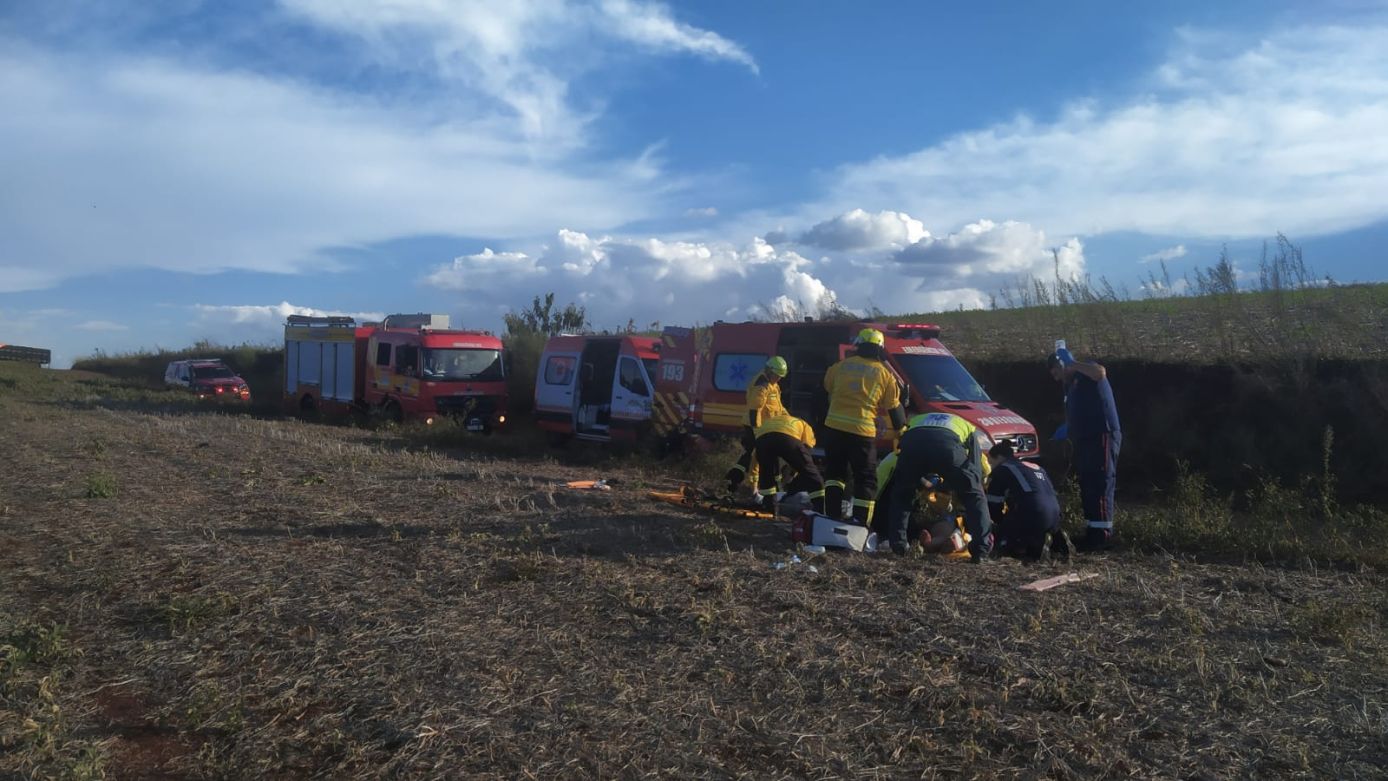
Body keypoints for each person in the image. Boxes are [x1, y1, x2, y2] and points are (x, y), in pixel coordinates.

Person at [822, 328, 907, 525]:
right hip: (861, 432)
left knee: (835, 474)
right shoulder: (885, 374)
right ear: (880, 349)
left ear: (858, 345)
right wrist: (902, 432)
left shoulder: (840, 366)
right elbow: (894, 408)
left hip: (834, 428)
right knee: (866, 478)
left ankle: (832, 515)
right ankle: (860, 522)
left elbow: (827, 386)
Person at [884, 412, 992, 560]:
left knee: (902, 496)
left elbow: (902, 444)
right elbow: (976, 468)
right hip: (947, 449)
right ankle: (981, 551)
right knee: (975, 496)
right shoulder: (967, 426)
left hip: (913, 445)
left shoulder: (916, 419)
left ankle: (899, 546)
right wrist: (971, 485)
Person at [1049, 347, 1121, 550]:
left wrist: (1072, 363)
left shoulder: (1086, 371)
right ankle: (1092, 531)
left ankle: (1103, 536)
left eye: (1056, 372)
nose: (1056, 378)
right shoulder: (1072, 386)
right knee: (1088, 483)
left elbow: (1100, 373)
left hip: (1102, 434)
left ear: (1062, 365)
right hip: (1086, 438)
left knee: (1100, 481)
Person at [985, 440, 1066, 560]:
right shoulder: (1036, 468)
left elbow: (993, 506)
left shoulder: (1002, 470)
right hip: (1055, 515)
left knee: (1002, 542)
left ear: (999, 457)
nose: (991, 467)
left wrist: (998, 525)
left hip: (1033, 513)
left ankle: (1023, 545)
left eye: (991, 463)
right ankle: (1048, 541)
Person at [726, 356, 789, 494]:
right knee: (756, 456)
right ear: (769, 371)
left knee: (751, 455)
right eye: (777, 376)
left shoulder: (773, 385)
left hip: (765, 427)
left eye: (780, 377)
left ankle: (733, 481)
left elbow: (778, 407)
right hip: (755, 426)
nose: (778, 379)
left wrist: (788, 419)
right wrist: (757, 431)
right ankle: (747, 486)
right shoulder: (761, 385)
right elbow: (755, 410)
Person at [752, 413, 824, 510]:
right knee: (813, 476)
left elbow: (756, 461)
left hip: (761, 439)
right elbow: (806, 451)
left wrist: (754, 485)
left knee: (767, 475)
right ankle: (820, 508)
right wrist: (797, 470)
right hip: (787, 437)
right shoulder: (804, 425)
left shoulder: (774, 421)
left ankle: (770, 506)